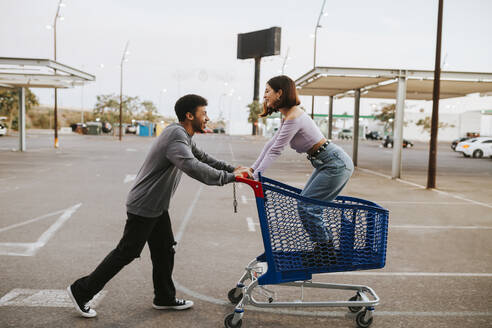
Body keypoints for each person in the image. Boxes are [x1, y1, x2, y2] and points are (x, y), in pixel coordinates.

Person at [67, 94, 252, 318]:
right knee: (127, 252)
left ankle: (164, 297)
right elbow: (192, 166)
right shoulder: (176, 135)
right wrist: (229, 177)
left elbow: (202, 157)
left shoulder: (183, 135)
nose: (207, 118)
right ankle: (81, 291)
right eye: (203, 114)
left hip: (156, 206)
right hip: (144, 205)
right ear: (189, 115)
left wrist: (233, 169)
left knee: (164, 250)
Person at [249, 75, 354, 260]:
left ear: (279, 93)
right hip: (325, 161)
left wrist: (256, 176)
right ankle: (324, 249)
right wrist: (252, 170)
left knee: (307, 206)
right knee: (306, 205)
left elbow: (276, 151)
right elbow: (270, 146)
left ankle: (326, 251)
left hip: (335, 163)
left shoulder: (294, 117)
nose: (265, 96)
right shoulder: (289, 116)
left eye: (267, 91)